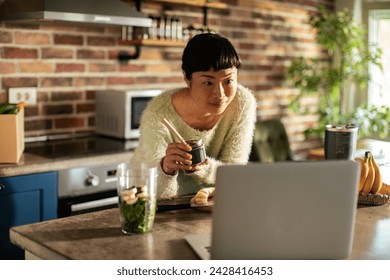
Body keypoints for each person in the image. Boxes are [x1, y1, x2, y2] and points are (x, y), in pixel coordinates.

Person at [131, 33, 257, 200]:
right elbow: (161, 195)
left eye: (228, 81)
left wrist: (201, 167)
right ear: (186, 77)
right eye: (208, 82)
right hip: (146, 197)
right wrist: (166, 169)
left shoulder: (242, 103)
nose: (220, 94)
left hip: (205, 201)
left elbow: (234, 175)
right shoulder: (158, 112)